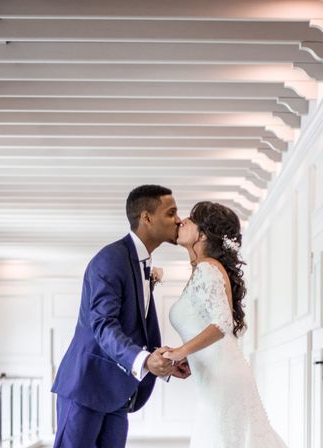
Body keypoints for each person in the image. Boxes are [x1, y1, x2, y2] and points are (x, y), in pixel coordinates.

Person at [51, 185, 191, 448]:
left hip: (117, 394)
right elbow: (104, 325)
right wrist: (146, 361)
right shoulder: (110, 259)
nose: (179, 220)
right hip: (86, 387)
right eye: (171, 212)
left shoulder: (141, 264)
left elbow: (135, 330)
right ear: (146, 218)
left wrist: (164, 364)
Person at [164, 201, 287, 448]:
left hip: (223, 378)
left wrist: (181, 351)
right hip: (214, 376)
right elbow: (206, 324)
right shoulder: (202, 270)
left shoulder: (208, 268)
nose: (182, 221)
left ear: (203, 234)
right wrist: (190, 356)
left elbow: (222, 323)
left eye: (191, 219)